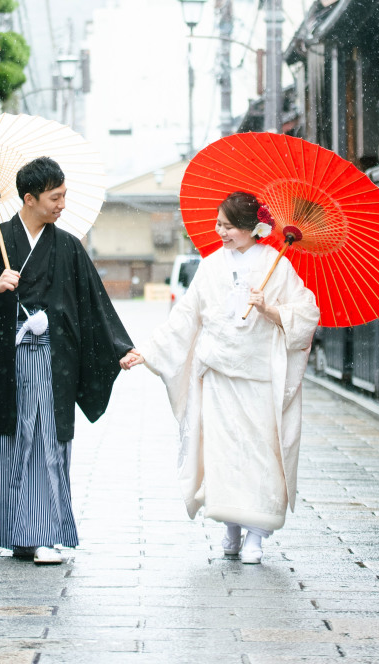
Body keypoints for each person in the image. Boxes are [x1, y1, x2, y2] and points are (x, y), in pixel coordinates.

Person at [0, 155, 135, 565]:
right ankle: (19, 533)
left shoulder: (67, 246)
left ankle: (41, 533)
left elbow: (93, 302)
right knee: (14, 440)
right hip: (10, 361)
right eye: (55, 197)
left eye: (65, 195)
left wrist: (119, 347)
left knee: (44, 440)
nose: (62, 204)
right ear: (29, 198)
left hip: (52, 360)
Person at [122, 191, 319, 564]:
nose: (220, 232)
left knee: (261, 454)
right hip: (219, 376)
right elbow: (185, 317)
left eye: (228, 226)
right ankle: (230, 526)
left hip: (259, 376)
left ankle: (256, 535)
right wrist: (147, 351)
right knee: (223, 454)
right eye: (218, 224)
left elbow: (306, 314)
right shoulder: (211, 266)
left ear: (250, 227)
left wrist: (270, 310)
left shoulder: (277, 265)